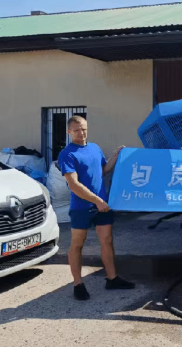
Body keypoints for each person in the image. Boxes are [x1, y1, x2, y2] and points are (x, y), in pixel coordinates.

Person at [58, 115, 135, 300]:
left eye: (84, 129)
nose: (81, 133)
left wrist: (115, 157)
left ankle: (112, 279)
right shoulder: (67, 154)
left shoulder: (94, 148)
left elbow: (103, 170)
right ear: (69, 132)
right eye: (77, 130)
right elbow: (74, 185)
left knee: (107, 240)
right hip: (81, 207)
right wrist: (97, 201)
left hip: (102, 205)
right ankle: (78, 284)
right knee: (77, 245)